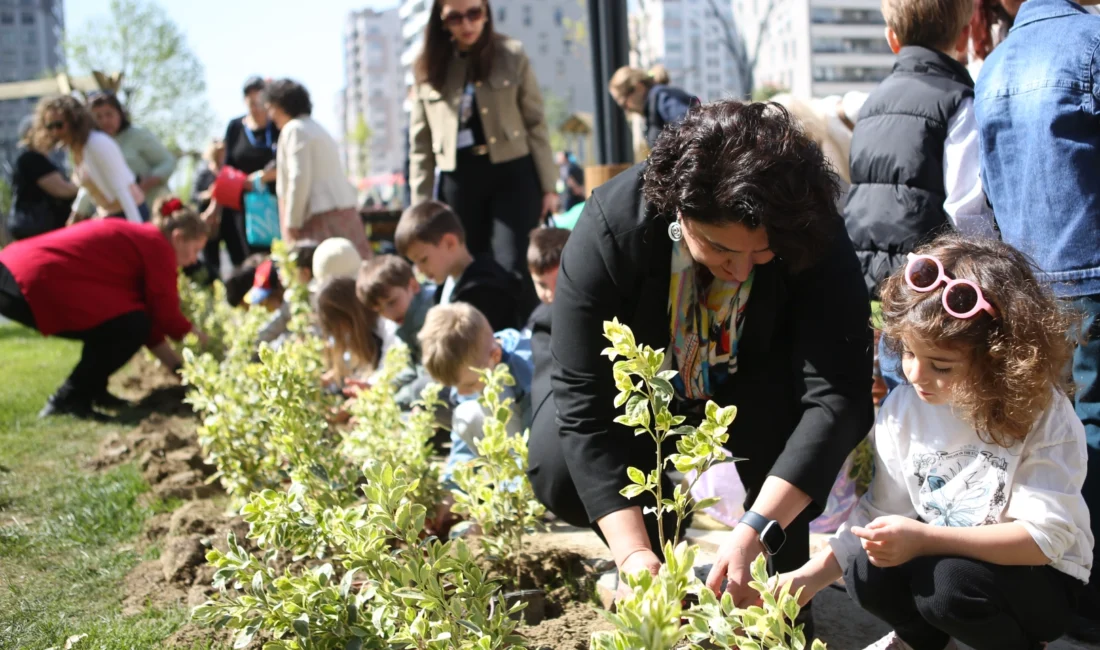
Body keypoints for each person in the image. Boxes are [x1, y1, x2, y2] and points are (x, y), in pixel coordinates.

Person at [526, 100, 872, 633]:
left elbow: (837, 393)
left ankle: (764, 567)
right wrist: (634, 558)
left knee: (779, 609)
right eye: (718, 248)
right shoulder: (611, 228)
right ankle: (653, 526)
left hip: (754, 377)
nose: (737, 270)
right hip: (639, 387)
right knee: (557, 467)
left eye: (759, 255)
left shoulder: (808, 224)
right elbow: (585, 411)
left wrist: (760, 526)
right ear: (678, 212)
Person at [779, 235, 1092, 650]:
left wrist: (924, 539)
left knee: (948, 586)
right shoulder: (905, 408)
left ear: (998, 357)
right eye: (907, 353)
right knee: (867, 570)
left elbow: (1044, 539)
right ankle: (920, 640)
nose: (915, 375)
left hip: (1040, 581)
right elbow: (882, 510)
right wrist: (806, 580)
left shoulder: (1041, 414)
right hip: (950, 556)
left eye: (940, 365)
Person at [973, 0, 1100, 639]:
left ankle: (1071, 589)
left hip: (1028, 287)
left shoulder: (993, 66)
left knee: (1057, 434)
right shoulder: (1093, 41)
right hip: (1092, 272)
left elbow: (982, 193)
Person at [845, 0, 996, 396]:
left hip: (880, 297)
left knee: (901, 416)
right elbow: (967, 208)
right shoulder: (958, 101)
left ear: (892, 39)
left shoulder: (870, 105)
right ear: (964, 36)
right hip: (932, 297)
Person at [0, 196, 209, 419]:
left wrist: (182, 372)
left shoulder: (146, 239)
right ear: (177, 238)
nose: (194, 260)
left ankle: (92, 391)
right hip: (26, 281)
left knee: (124, 324)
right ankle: (69, 399)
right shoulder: (158, 247)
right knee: (127, 327)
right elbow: (166, 318)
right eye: (195, 250)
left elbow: (150, 327)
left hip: (13, 271)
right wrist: (204, 341)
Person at [408, 0, 559, 284]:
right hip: (458, 178)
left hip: (513, 172)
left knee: (514, 262)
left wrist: (549, 186)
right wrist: (421, 204)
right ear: (441, 20)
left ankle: (521, 329)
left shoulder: (511, 54)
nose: (466, 24)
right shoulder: (427, 66)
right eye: (455, 18)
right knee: (469, 267)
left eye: (474, 13)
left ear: (486, 13)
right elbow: (420, 145)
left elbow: (535, 123)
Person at [418, 302, 532, 500]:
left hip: (534, 442)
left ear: (495, 356)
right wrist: (452, 489)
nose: (461, 392)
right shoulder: (474, 367)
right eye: (455, 386)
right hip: (508, 439)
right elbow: (462, 442)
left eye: (469, 385)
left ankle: (519, 494)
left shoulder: (525, 372)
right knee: (464, 414)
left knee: (500, 396)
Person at [265, 79, 371, 259]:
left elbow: (299, 178)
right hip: (344, 210)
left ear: (281, 105)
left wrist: (292, 222)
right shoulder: (317, 127)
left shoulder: (294, 129)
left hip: (319, 217)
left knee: (326, 275)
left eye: (271, 108)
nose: (270, 115)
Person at [395, 200, 522, 331]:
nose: (419, 270)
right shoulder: (446, 284)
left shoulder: (483, 291)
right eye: (414, 263)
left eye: (423, 259)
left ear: (450, 243)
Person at [35, 96, 146, 224]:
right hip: (110, 215)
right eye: (50, 127)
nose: (55, 131)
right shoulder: (76, 149)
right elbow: (89, 186)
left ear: (74, 121)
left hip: (130, 213)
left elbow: (121, 188)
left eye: (59, 125)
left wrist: (137, 229)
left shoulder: (96, 144)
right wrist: (76, 214)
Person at [73, 93, 176, 220]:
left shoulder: (138, 135)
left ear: (120, 114)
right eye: (98, 116)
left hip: (154, 206)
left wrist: (147, 182)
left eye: (109, 114)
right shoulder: (90, 146)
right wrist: (78, 211)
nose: (104, 120)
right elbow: (91, 182)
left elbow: (167, 162)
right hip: (117, 212)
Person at [356, 255, 437, 409]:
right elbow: (413, 368)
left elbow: (428, 378)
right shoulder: (408, 320)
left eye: (392, 302)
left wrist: (392, 401)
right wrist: (380, 389)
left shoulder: (426, 318)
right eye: (379, 310)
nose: (388, 313)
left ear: (413, 286)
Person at [219, 76, 280, 264]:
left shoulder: (277, 125)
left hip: (274, 207)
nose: (256, 107)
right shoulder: (236, 127)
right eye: (251, 102)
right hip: (242, 208)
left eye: (260, 102)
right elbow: (226, 168)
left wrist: (263, 177)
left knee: (274, 261)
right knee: (245, 263)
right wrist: (215, 208)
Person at [8, 114, 78, 240]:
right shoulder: (32, 159)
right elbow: (62, 190)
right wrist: (86, 186)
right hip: (40, 229)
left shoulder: (31, 159)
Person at [608, 65, 697, 149]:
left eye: (624, 103)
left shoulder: (662, 99)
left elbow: (690, 126)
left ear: (639, 87)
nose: (627, 109)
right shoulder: (654, 106)